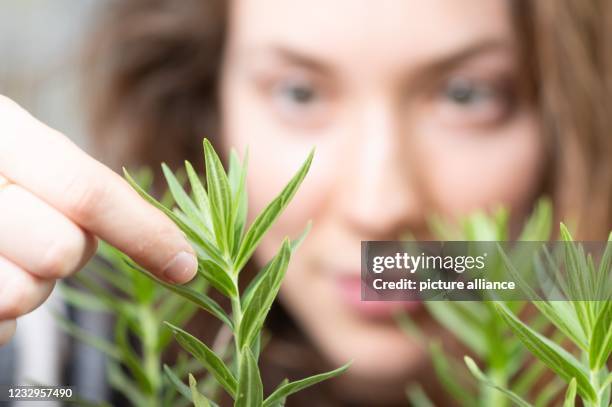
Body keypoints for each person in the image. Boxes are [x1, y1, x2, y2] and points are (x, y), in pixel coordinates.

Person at [0, 0, 610, 405]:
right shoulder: (55, 356)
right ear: (205, 101)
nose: (379, 206)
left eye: (465, 94)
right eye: (298, 91)